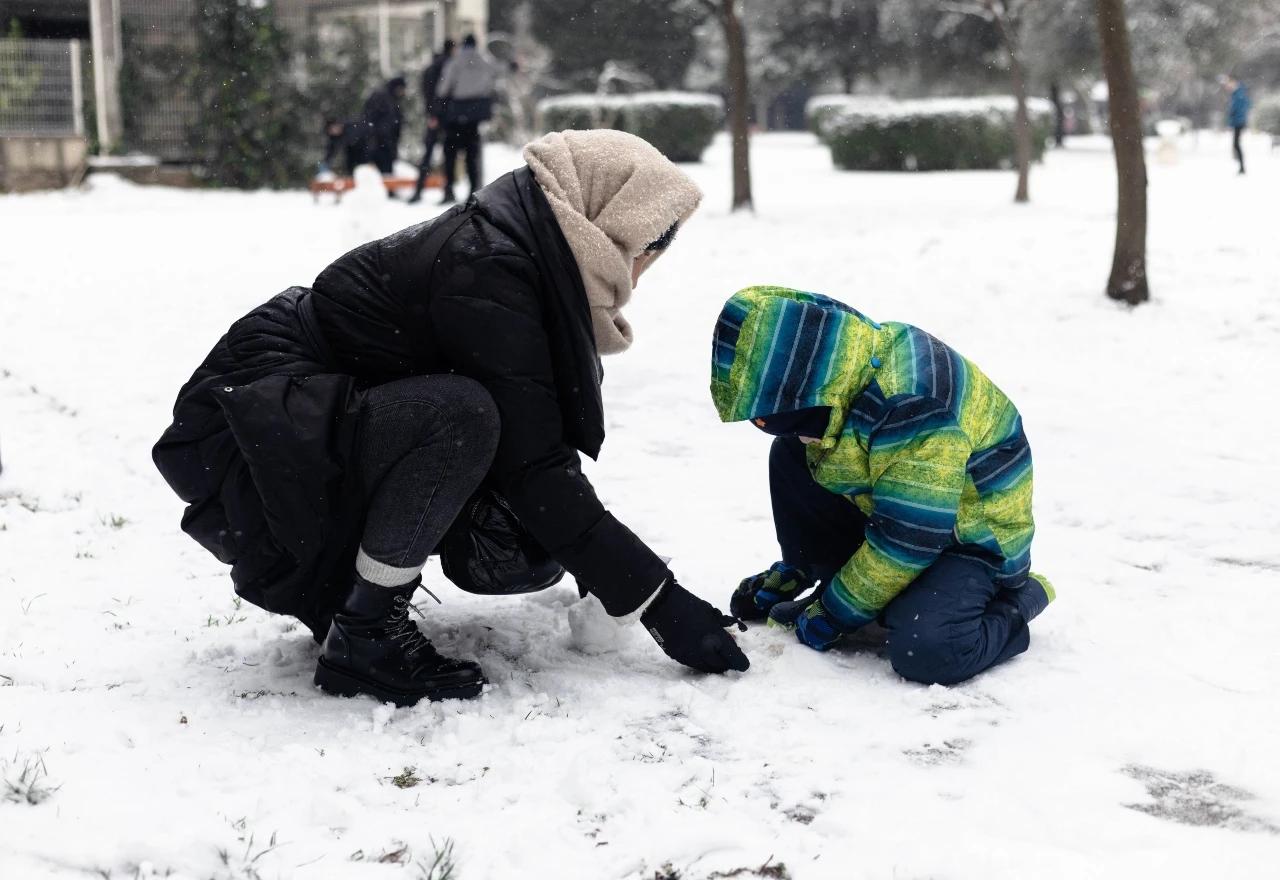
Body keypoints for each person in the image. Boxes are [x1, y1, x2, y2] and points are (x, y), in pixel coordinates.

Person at [153, 130, 749, 708]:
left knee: (509, 504)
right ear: (610, 227)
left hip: (306, 414)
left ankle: (359, 610)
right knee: (461, 418)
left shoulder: (525, 248)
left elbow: (535, 433)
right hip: (259, 426)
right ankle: (366, 635)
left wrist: (601, 569)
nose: (641, 272)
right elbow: (532, 463)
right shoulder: (489, 264)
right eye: (647, 250)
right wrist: (659, 600)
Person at [715, 286, 1054, 686]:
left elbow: (909, 539)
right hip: (894, 502)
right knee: (791, 456)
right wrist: (808, 564)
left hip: (972, 539)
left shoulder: (913, 405)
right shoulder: (846, 367)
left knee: (926, 648)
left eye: (801, 425)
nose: (804, 438)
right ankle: (811, 568)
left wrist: (834, 612)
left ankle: (1021, 598)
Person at [435, 34, 498, 204]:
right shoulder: (485, 61)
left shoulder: (455, 62)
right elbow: (495, 77)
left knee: (450, 154)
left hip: (456, 115)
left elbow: (443, 88)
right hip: (475, 115)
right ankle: (473, 190)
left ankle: (449, 190)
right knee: (473, 155)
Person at [408, 40, 456, 205]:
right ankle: (448, 190)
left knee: (427, 154)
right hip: (447, 117)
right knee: (448, 154)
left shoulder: (431, 67)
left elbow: (426, 93)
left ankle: (418, 190)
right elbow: (443, 93)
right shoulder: (449, 66)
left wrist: (430, 114)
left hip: (433, 116)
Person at [362, 76, 407, 190]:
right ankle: (384, 191)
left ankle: (388, 190)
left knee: (387, 167)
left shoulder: (391, 98)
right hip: (380, 141)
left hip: (386, 140)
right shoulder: (383, 97)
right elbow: (371, 118)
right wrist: (378, 135)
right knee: (382, 167)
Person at [1225, 76, 1252, 175]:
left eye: (1229, 83)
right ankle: (1240, 166)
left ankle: (1241, 166)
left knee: (1236, 144)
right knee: (1236, 144)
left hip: (1239, 123)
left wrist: (1234, 119)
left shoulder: (1239, 94)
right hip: (1237, 122)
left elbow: (1239, 109)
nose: (1228, 86)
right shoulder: (1236, 93)